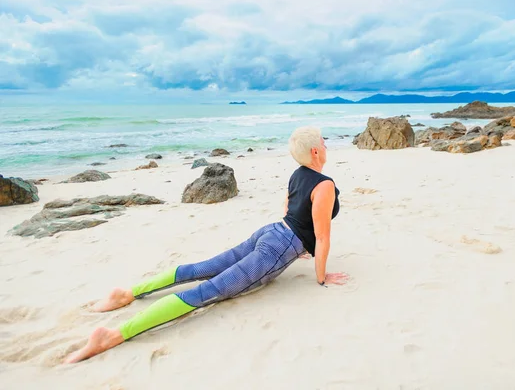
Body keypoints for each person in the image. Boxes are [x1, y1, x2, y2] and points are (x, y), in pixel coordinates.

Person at [65, 126, 348, 363]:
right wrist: (322, 278)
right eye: (323, 142)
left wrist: (296, 244)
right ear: (315, 151)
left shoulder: (298, 173)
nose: (325, 145)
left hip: (270, 232)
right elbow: (322, 235)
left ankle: (126, 293)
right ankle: (115, 335)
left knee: (204, 268)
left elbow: (290, 206)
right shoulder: (324, 185)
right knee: (207, 291)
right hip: (277, 245)